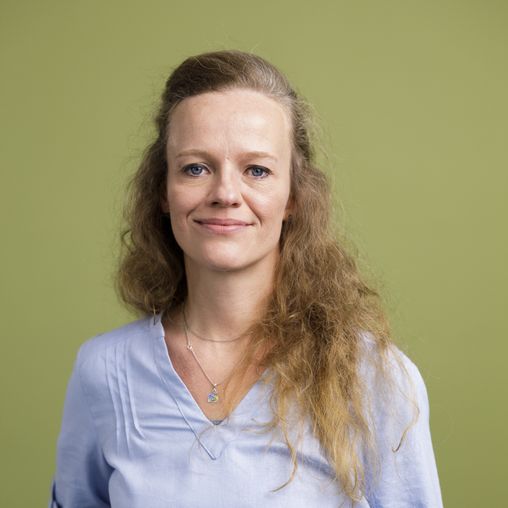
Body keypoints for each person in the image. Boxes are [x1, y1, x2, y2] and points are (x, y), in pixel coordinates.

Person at [48, 49, 443, 507]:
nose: (225, 194)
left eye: (257, 170)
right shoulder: (102, 371)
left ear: (293, 196)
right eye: (196, 168)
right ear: (163, 191)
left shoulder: (373, 376)